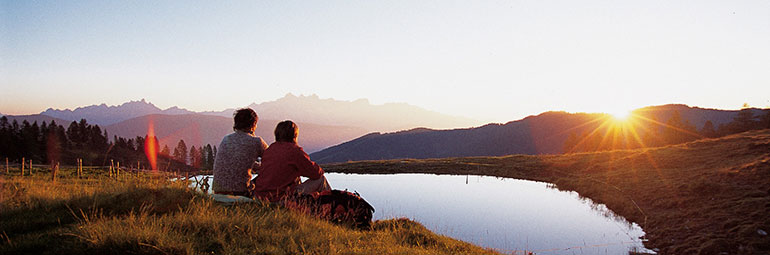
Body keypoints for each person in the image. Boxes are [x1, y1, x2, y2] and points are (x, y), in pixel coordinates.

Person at [252, 120, 331, 202]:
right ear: (294, 135)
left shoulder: (270, 149)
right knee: (321, 180)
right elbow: (316, 173)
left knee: (296, 179)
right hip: (279, 198)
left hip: (259, 197)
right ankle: (332, 206)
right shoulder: (294, 151)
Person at [212, 108, 268, 197]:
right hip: (241, 192)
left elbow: (238, 161)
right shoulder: (256, 141)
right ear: (253, 124)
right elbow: (273, 159)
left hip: (217, 191)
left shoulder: (226, 139)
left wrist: (255, 166)